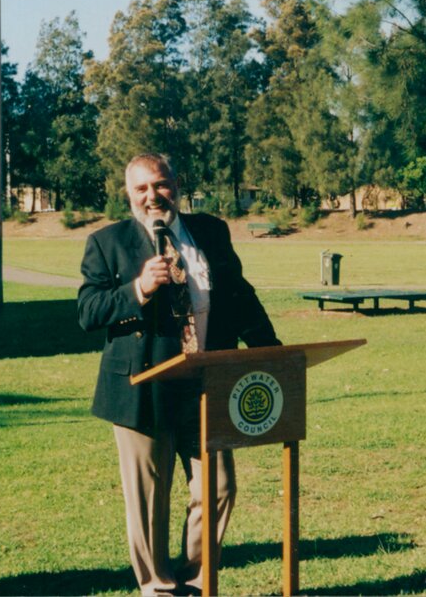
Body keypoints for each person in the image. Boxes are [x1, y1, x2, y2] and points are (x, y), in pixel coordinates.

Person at [78, 153, 280, 595]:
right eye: (142, 189)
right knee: (150, 501)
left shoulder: (211, 230)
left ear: (176, 184)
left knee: (219, 487)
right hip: (142, 390)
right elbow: (88, 311)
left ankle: (196, 582)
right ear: (128, 194)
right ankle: (157, 588)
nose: (153, 196)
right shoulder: (106, 243)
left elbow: (239, 296)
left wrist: (271, 351)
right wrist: (139, 289)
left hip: (207, 385)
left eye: (161, 184)